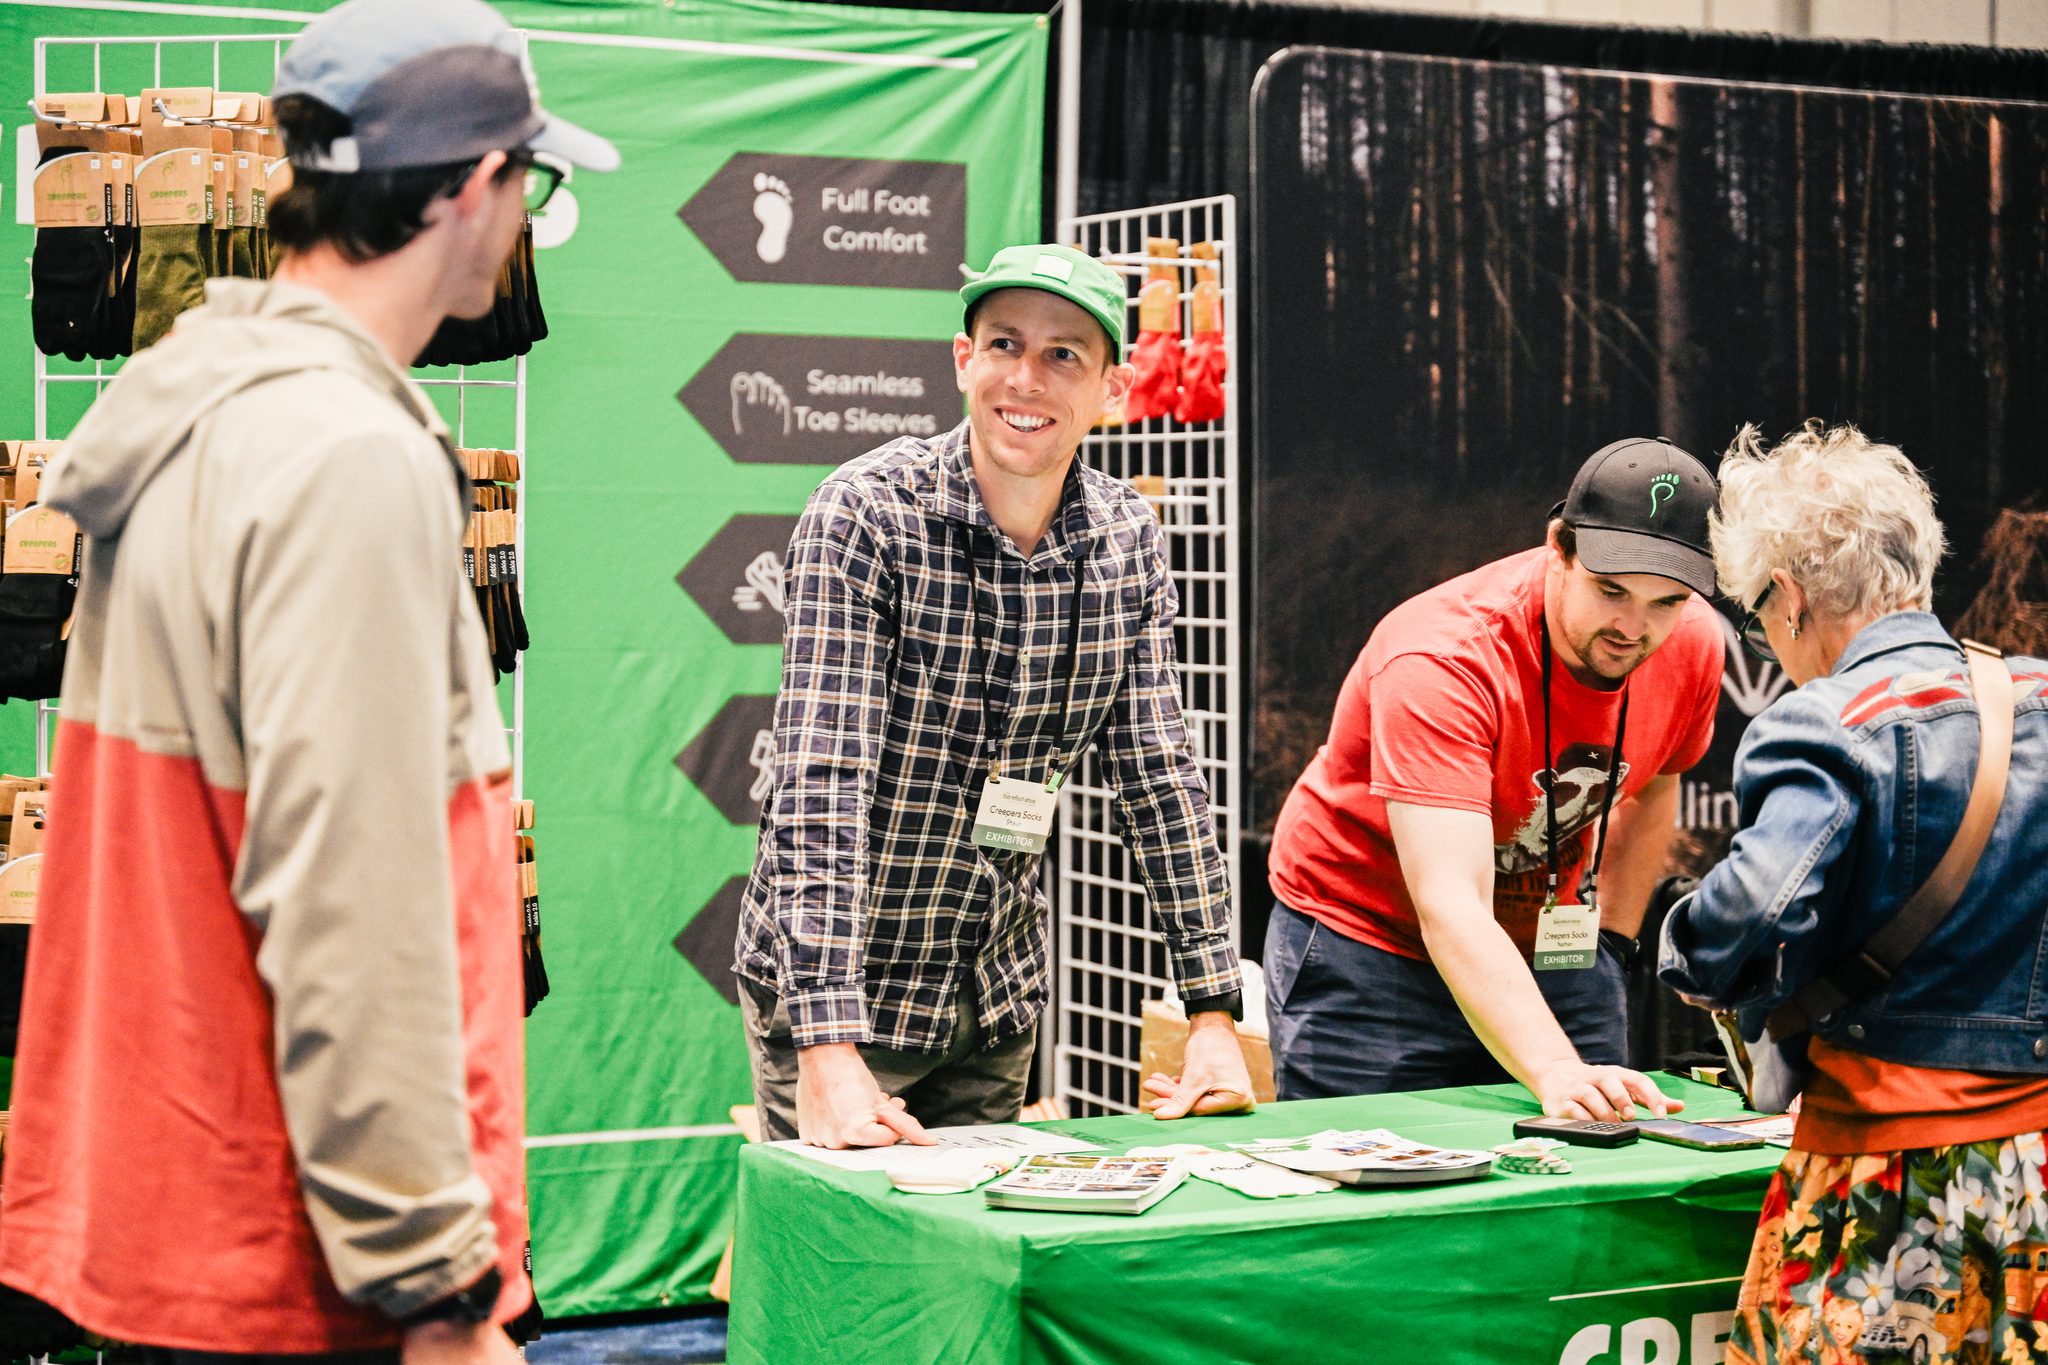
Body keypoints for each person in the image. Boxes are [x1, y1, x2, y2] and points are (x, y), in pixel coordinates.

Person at [0, 1, 616, 1357]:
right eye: (530, 182)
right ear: (472, 189)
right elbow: (350, 898)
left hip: (196, 1216)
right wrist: (439, 1285)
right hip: (302, 1269)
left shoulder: (197, 411)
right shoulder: (344, 457)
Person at [734, 243, 1255, 1148]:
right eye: (1005, 344)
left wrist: (1213, 1010)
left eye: (1065, 355)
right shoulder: (865, 515)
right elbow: (822, 783)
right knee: (847, 1273)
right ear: (962, 361)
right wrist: (825, 1041)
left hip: (993, 994)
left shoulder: (1127, 539)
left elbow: (1161, 777)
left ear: (1114, 390)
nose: (1028, 378)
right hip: (845, 1003)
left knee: (968, 1274)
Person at [1660, 422, 2048, 1365]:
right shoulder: (2039, 694)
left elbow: (1746, 918)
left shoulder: (1827, 723)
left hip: (1886, 1173)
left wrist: (1682, 941)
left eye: (1755, 616)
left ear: (1789, 598)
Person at [1265, 438, 1726, 1119]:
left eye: (1666, 600)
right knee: (1380, 1206)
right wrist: (1554, 1068)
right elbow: (1448, 903)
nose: (1633, 626)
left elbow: (1659, 781)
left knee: (1589, 1175)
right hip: (1371, 945)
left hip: (1550, 946)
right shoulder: (1442, 656)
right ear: (1558, 549)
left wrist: (1611, 945)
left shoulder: (1692, 642)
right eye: (1611, 590)